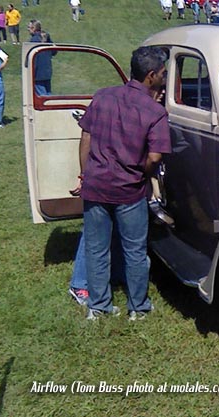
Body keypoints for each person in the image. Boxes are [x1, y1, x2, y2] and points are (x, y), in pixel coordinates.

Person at [78, 46, 171, 320]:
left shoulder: (103, 96)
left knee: (96, 248)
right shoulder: (155, 112)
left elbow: (86, 138)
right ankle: (138, 307)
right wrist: (139, 172)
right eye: (164, 74)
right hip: (129, 190)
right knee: (135, 250)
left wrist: (86, 175)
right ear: (151, 76)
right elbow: (154, 156)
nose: (166, 77)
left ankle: (98, 306)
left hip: (95, 185)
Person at [28, 20, 56, 95]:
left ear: (33, 28)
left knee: (42, 97)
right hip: (47, 71)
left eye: (29, 27)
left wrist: (31, 72)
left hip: (38, 74)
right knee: (48, 94)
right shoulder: (46, 38)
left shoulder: (34, 41)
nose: (28, 29)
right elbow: (54, 52)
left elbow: (33, 58)